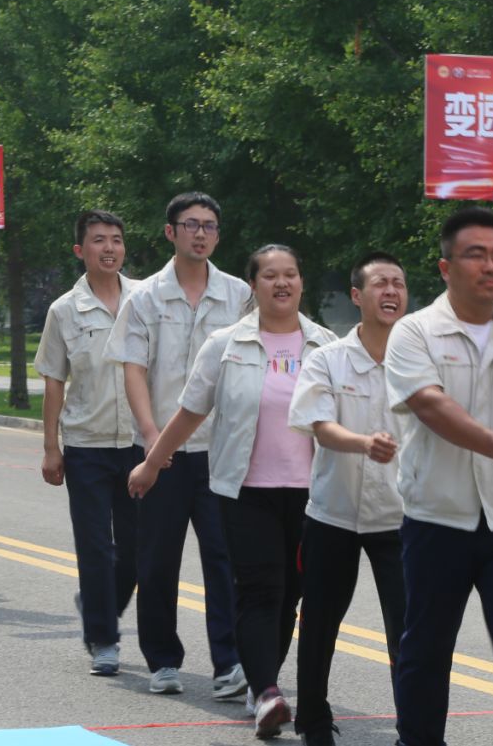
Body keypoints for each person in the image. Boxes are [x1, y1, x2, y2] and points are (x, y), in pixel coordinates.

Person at [129, 244, 337, 739]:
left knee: (291, 595)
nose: (281, 283)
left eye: (290, 274)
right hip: (245, 491)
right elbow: (190, 411)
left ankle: (262, 680)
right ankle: (266, 691)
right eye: (270, 275)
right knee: (259, 590)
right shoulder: (225, 344)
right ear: (254, 286)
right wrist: (152, 464)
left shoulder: (327, 347)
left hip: (313, 495)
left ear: (301, 283)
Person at [385, 207, 493, 746]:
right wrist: (492, 443)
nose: (492, 265)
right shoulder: (414, 332)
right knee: (426, 647)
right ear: (445, 267)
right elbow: (428, 404)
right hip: (438, 518)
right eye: (476, 254)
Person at [106, 191, 248, 698]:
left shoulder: (239, 295)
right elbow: (134, 368)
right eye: (191, 224)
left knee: (224, 559)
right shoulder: (144, 297)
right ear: (171, 232)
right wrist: (152, 439)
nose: (201, 233)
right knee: (157, 559)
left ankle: (230, 663)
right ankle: (162, 660)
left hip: (220, 451)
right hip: (159, 454)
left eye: (210, 225)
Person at [288, 252, 408, 746]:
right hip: (333, 513)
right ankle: (313, 719)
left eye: (399, 284)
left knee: (410, 631)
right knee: (319, 624)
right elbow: (319, 424)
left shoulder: (421, 363)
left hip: (401, 517)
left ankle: (416, 726)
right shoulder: (327, 359)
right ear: (358, 296)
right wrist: (362, 443)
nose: (392, 292)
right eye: (381, 283)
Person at [34, 210, 141, 676]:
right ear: (81, 250)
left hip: (141, 443)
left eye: (116, 239)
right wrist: (51, 447)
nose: (110, 248)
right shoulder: (64, 310)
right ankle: (103, 638)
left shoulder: (146, 300)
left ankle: (98, 603)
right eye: (99, 240)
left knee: (139, 548)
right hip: (87, 445)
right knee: (95, 546)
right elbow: (55, 381)